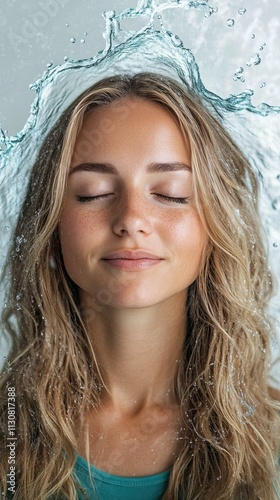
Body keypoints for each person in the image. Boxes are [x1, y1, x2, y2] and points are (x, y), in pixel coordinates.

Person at [0, 72, 279, 500]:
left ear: (216, 225)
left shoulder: (272, 435)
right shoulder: (8, 430)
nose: (131, 219)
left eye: (169, 193)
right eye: (92, 193)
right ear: (52, 224)